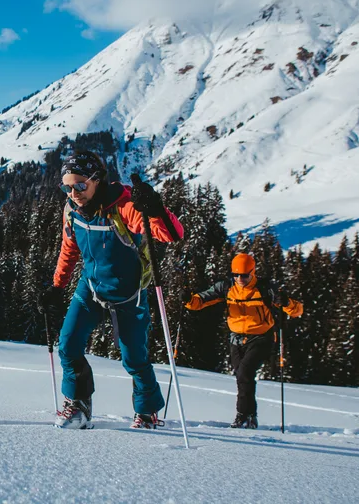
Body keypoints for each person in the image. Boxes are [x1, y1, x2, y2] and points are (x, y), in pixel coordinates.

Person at [37, 151, 184, 430]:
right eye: (67, 186)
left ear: (97, 180)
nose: (74, 192)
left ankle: (147, 411)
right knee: (68, 345)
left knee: (134, 359)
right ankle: (78, 404)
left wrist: (154, 208)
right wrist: (57, 286)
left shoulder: (123, 206)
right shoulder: (71, 210)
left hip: (127, 293)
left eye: (80, 185)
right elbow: (69, 249)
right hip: (91, 287)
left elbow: (172, 234)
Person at [182, 253, 303, 429]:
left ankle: (243, 416)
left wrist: (286, 302)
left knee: (244, 373)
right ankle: (250, 416)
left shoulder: (265, 289)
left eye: (244, 275)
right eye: (236, 275)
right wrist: (188, 300)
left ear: (252, 272)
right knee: (242, 377)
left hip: (261, 337)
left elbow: (296, 310)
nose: (240, 279)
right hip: (236, 338)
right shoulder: (226, 287)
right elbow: (200, 301)